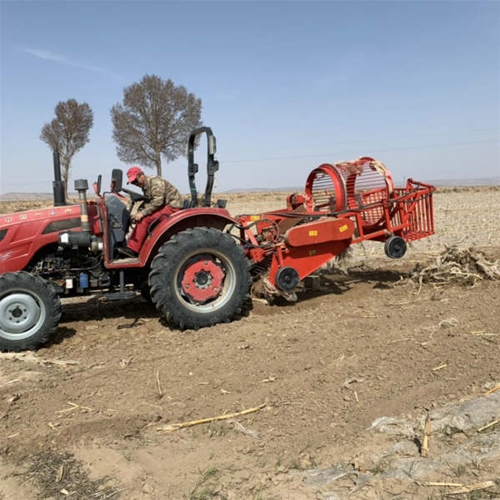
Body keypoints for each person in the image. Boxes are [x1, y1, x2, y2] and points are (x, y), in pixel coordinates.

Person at [117, 166, 184, 258]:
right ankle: (134, 246)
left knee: (145, 219)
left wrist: (142, 213)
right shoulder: (145, 186)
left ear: (141, 175)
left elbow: (157, 201)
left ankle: (133, 250)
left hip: (172, 207)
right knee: (140, 216)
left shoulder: (155, 182)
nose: (135, 184)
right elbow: (150, 201)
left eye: (135, 180)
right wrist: (138, 212)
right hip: (164, 206)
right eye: (132, 182)